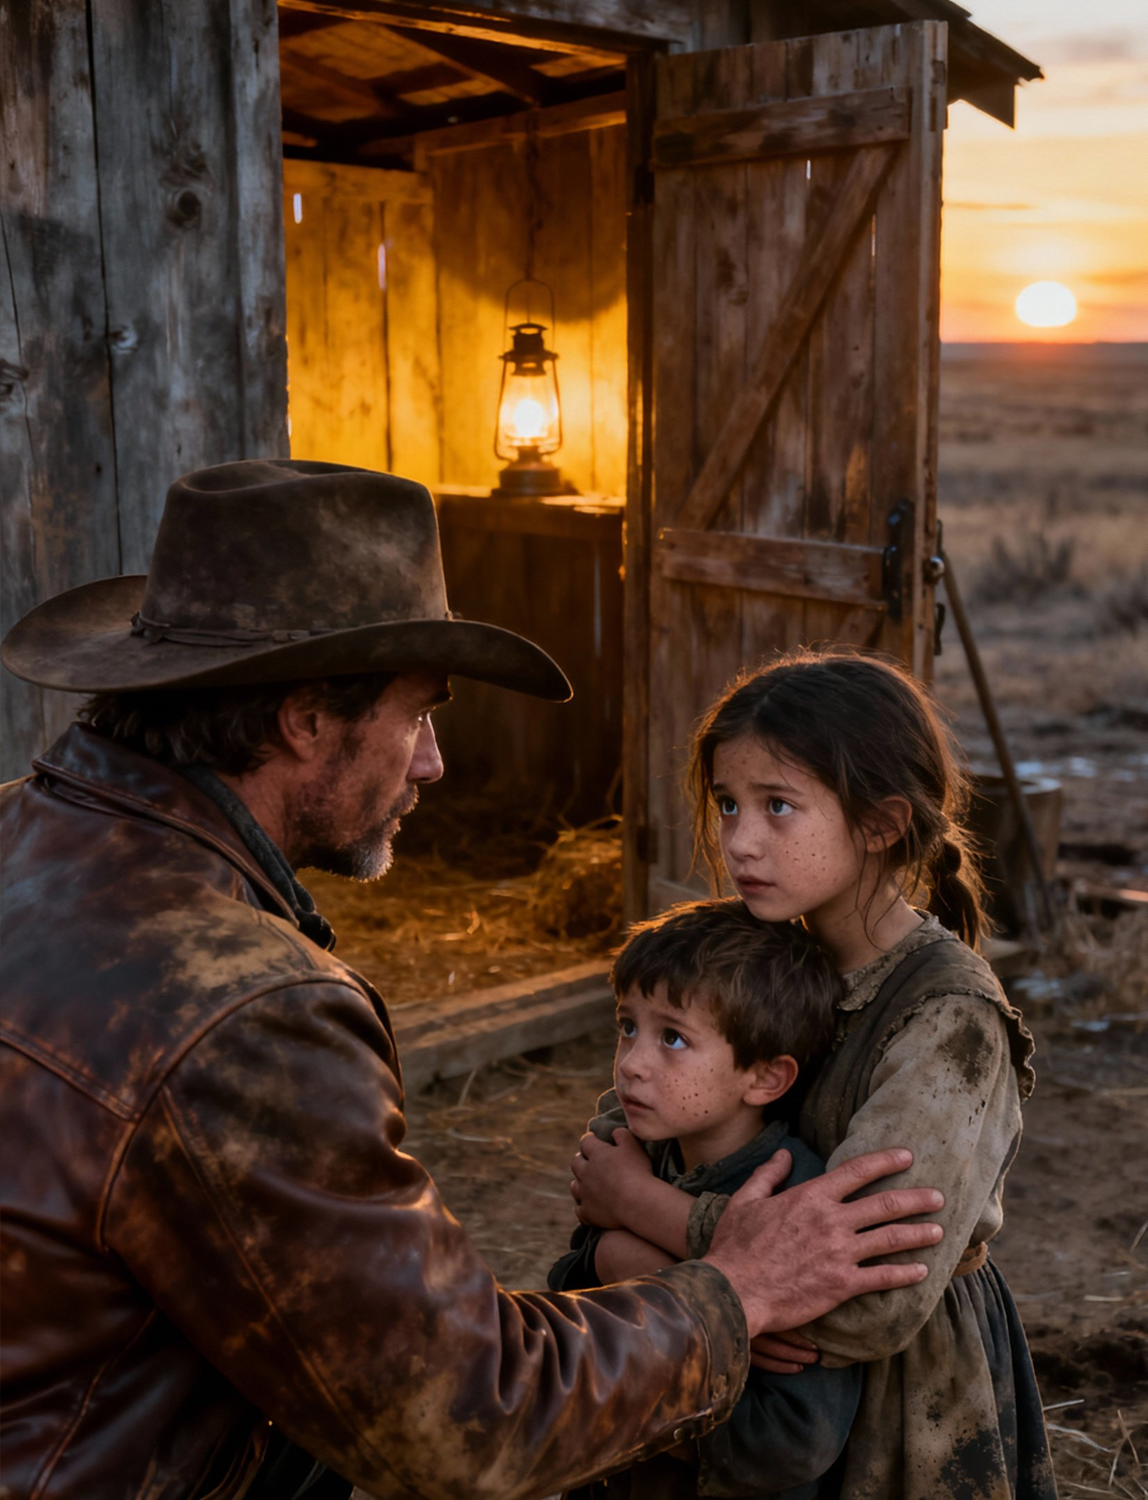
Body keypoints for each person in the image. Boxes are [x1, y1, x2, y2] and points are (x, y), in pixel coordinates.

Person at [0, 464, 947, 1500]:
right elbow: (466, 1422)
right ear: (306, 720)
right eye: (419, 716)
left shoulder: (21, 830)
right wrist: (735, 1289)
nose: (434, 764)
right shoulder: (240, 1009)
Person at [571, 649, 1057, 1500]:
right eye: (727, 803)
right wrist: (631, 1247)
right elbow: (620, 1142)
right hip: (721, 1389)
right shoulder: (757, 952)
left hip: (895, 1410)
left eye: (779, 807)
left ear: (879, 824)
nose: (739, 840)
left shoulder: (947, 1021)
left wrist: (638, 1223)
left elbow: (862, 1303)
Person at [550, 899, 862, 1500]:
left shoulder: (796, 1207)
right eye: (627, 1026)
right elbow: (570, 1290)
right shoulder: (633, 1154)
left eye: (672, 1037)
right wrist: (625, 1261)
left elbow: (791, 1440)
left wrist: (627, 1402)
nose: (632, 1064)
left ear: (765, 1078)